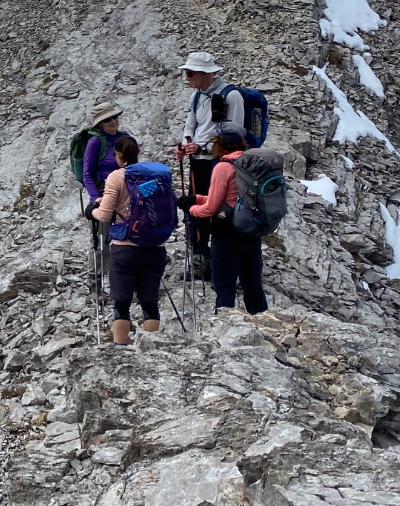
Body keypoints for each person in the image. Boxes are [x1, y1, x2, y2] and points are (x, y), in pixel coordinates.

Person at [177, 124, 268, 315]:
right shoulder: (253, 164)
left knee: (225, 286)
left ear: (222, 145)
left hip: (226, 231)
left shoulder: (223, 167)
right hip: (251, 229)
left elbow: (211, 208)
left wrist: (190, 209)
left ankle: (225, 324)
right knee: (253, 285)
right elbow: (230, 199)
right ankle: (262, 322)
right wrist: (197, 198)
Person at [173, 52, 244, 279]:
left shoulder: (232, 96)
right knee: (198, 209)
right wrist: (186, 145)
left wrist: (201, 148)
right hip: (199, 162)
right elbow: (190, 126)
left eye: (190, 73)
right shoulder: (196, 96)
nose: (187, 78)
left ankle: (222, 263)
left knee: (221, 211)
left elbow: (234, 135)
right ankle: (201, 260)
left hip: (221, 165)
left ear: (205, 74)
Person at [91, 134, 164, 344]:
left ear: (119, 155)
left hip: (125, 247)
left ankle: (121, 349)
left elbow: (105, 215)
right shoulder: (152, 175)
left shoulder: (116, 177)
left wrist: (91, 211)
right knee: (150, 302)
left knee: (121, 303)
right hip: (155, 246)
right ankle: (151, 348)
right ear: (137, 152)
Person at [80, 101, 123, 206]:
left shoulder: (125, 137)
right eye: (107, 120)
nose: (113, 121)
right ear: (100, 124)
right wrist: (95, 198)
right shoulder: (95, 141)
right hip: (104, 194)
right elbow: (87, 174)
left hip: (125, 192)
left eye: (115, 117)